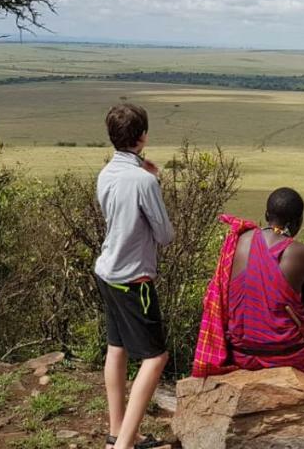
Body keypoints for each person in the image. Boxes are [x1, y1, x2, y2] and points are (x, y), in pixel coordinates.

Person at [93, 103, 175, 449]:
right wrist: (152, 178)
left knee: (117, 348)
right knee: (155, 357)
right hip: (133, 280)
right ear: (142, 136)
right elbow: (165, 234)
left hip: (106, 271)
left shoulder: (106, 173)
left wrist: (143, 167)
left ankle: (117, 433)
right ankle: (125, 443)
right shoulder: (144, 182)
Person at [223, 188, 304, 377]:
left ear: (266, 215)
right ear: (298, 222)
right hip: (290, 355)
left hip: (241, 353)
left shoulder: (237, 241)